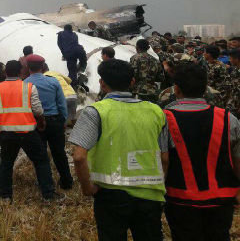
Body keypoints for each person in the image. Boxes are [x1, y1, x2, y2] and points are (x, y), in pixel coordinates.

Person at [70, 59, 169, 241]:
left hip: (110, 195)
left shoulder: (95, 112)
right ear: (132, 82)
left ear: (102, 83)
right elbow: (164, 158)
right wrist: (159, 183)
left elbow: (78, 157)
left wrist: (87, 188)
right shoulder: (156, 111)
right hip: (150, 195)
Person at [163, 63, 240, 241]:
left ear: (176, 89)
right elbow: (238, 161)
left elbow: (162, 161)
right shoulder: (229, 118)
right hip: (221, 198)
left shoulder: (164, 118)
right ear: (206, 88)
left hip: (180, 198)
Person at [0, 60, 62, 201]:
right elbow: (38, 110)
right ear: (21, 71)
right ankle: (48, 193)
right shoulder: (28, 87)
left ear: (5, 72)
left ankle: (6, 195)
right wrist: (41, 122)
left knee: (7, 163)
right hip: (28, 132)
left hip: (6, 132)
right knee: (41, 161)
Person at [24, 54, 73, 190]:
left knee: (41, 155)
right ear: (42, 67)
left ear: (28, 67)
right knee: (59, 153)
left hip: (36, 123)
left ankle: (46, 183)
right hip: (55, 121)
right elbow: (61, 104)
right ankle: (67, 181)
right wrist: (63, 120)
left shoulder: (25, 84)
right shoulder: (53, 82)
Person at [42, 63, 78, 127]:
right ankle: (75, 129)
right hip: (73, 95)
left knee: (62, 118)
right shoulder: (55, 73)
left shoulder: (43, 77)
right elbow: (69, 80)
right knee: (73, 116)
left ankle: (63, 131)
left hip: (63, 97)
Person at [228, 49, 240, 116]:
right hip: (233, 103)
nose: (230, 60)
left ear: (237, 59)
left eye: (231, 58)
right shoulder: (235, 70)